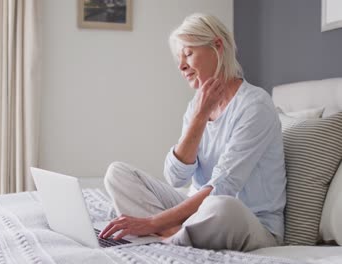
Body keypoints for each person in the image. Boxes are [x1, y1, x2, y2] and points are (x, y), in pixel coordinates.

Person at [98, 13, 286, 251]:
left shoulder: (255, 105)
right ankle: (175, 234)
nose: (181, 65)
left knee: (222, 207)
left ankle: (167, 236)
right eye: (180, 58)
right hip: (197, 211)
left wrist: (151, 222)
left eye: (188, 54)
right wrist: (199, 117)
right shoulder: (197, 105)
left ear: (217, 46)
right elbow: (176, 177)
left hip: (250, 223)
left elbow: (222, 186)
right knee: (117, 174)